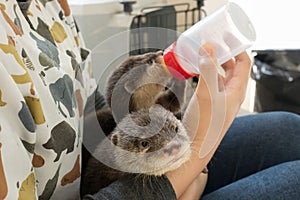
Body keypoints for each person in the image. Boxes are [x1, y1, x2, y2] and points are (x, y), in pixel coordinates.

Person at [0, 1, 299, 200]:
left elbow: (85, 113)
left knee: (288, 129)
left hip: (90, 169)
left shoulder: (48, 6)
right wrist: (194, 160)